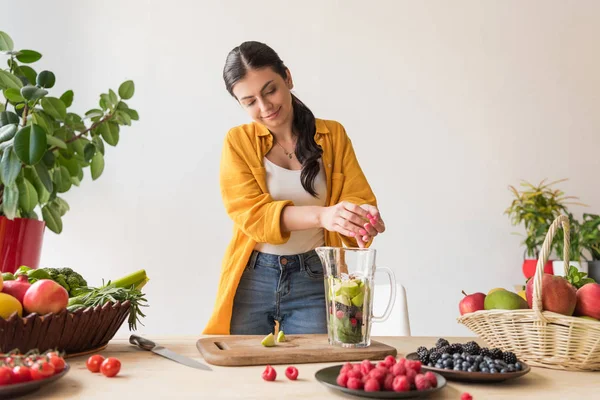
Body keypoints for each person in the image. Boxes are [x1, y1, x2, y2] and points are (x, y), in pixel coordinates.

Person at [203, 41, 386, 335]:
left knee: (314, 370)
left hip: (315, 275)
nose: (265, 107)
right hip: (253, 276)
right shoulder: (238, 142)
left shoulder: (333, 135)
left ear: (287, 77)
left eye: (270, 90)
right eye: (249, 101)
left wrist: (360, 218)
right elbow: (252, 215)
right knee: (242, 372)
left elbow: (357, 196)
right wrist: (323, 215)